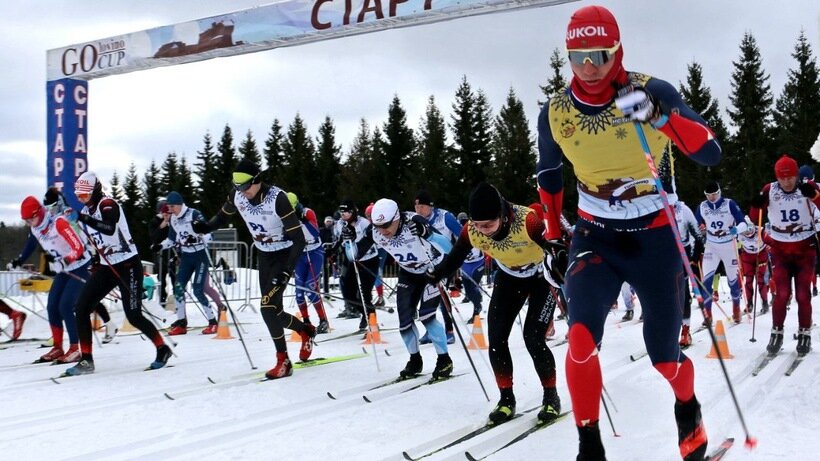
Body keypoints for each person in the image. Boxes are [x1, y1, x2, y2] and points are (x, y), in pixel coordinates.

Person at [536, 5, 722, 460]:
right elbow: (549, 175)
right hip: (595, 237)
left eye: (599, 55)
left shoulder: (650, 89)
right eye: (577, 56)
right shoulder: (556, 111)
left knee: (664, 357)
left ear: (617, 50)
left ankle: (687, 407)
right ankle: (589, 446)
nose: (588, 68)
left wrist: (659, 118)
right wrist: (554, 233)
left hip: (654, 240)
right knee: (580, 336)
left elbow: (710, 152)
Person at [430, 183, 562, 426]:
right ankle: (506, 399)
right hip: (509, 278)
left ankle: (551, 396)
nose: (483, 231)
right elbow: (456, 256)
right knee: (497, 338)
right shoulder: (472, 229)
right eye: (477, 225)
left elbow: (554, 247)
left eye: (488, 225)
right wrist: (437, 273)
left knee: (533, 338)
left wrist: (561, 263)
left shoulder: (528, 221)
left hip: (539, 279)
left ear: (502, 215)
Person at [192, 159, 314, 379]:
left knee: (267, 308)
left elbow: (299, 239)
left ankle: (283, 361)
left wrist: (286, 271)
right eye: (237, 186)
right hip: (264, 255)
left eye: (245, 186)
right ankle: (304, 330)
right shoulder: (238, 195)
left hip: (283, 255)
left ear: (258, 180)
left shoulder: (278, 199)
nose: (241, 191)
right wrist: (206, 226)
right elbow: (222, 216)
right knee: (273, 310)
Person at [70, 172, 172, 375]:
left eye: (85, 195)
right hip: (108, 267)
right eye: (78, 196)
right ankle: (86, 360)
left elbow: (108, 228)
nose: (81, 199)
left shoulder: (108, 204)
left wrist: (82, 217)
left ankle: (162, 349)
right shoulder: (86, 210)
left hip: (128, 265)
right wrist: (95, 260)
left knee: (133, 315)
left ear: (95, 191)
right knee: (81, 308)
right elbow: (96, 241)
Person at [355, 198, 454, 380]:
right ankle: (415, 360)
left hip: (433, 270)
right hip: (408, 273)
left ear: (397, 218)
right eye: (378, 226)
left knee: (427, 316)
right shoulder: (375, 231)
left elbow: (449, 248)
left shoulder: (415, 221)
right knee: (405, 321)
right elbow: (355, 254)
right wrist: (348, 242)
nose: (382, 231)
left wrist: (428, 234)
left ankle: (444, 359)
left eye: (386, 225)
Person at [749, 155, 820, 357]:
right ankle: (776, 331)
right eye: (783, 177)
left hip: (805, 249)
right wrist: (756, 204)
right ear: (777, 177)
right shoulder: (769, 189)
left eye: (791, 177)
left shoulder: (808, 185)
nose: (787, 181)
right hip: (780, 250)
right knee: (781, 294)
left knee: (803, 294)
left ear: (797, 175)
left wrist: (814, 196)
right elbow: (756, 219)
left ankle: (804, 331)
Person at [8, 195, 91, 363]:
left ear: (40, 212)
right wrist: (19, 261)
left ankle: (75, 348)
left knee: (66, 305)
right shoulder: (35, 228)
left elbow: (79, 247)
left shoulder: (58, 223)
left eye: (32, 218)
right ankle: (58, 347)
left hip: (80, 266)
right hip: (64, 269)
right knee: (52, 305)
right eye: (27, 221)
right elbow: (31, 245)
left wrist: (65, 260)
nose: (30, 223)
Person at [42, 187, 118, 344]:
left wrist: (89, 255)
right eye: (47, 209)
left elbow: (82, 237)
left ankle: (107, 325)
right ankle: (108, 324)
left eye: (52, 207)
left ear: (58, 204)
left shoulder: (67, 215)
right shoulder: (56, 218)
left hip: (87, 258)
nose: (49, 212)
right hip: (75, 261)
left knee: (84, 297)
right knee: (83, 297)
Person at [152, 191, 217, 335]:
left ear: (180, 205)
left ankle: (213, 321)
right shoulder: (173, 219)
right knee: (178, 288)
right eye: (168, 207)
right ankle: (182, 323)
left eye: (172, 207)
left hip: (200, 255)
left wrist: (198, 239)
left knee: (198, 290)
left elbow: (209, 234)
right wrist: (160, 246)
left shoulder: (194, 214)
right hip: (186, 257)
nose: (170, 210)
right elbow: (171, 239)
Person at [695, 181, 748, 325]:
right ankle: (708, 313)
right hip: (712, 246)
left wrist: (737, 229)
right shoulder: (702, 206)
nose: (711, 198)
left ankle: (736, 307)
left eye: (714, 194)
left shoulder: (729, 204)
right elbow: (695, 224)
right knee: (706, 281)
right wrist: (699, 231)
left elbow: (744, 223)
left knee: (732, 280)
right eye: (708, 195)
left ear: (719, 192)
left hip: (729, 245)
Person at [414, 190, 459, 344]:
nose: (418, 209)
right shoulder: (415, 220)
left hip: (445, 261)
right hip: (426, 261)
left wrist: (459, 256)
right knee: (425, 296)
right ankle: (431, 330)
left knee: (441, 296)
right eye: (416, 206)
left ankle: (449, 330)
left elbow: (461, 233)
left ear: (430, 206)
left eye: (421, 206)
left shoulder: (444, 217)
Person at [331, 199, 380, 330]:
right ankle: (365, 313)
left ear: (353, 212)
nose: (343, 215)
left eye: (346, 212)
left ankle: (371, 319)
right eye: (341, 212)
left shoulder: (363, 223)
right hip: (352, 261)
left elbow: (371, 240)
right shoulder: (340, 224)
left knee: (364, 292)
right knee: (348, 292)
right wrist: (332, 251)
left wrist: (358, 251)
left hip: (369, 260)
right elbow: (340, 239)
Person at [287, 192, 330, 334]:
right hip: (300, 255)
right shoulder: (284, 216)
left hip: (314, 252)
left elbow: (315, 233)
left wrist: (303, 220)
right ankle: (306, 322)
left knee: (310, 289)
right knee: (299, 293)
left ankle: (323, 320)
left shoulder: (308, 212)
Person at [674, 200, 704, 347]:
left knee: (682, 293)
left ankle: (685, 330)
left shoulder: (683, 210)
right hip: (662, 255)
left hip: (682, 254)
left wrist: (694, 258)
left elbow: (698, 236)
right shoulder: (653, 207)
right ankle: (667, 330)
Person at [456, 211, 485, 320]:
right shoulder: (457, 230)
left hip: (477, 263)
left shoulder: (473, 226)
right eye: (461, 221)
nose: (463, 223)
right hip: (465, 265)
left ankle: (477, 309)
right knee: (468, 290)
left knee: (473, 287)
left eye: (464, 220)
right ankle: (477, 303)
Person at [148, 201, 178, 309]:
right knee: (162, 278)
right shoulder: (154, 222)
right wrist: (161, 226)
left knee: (175, 277)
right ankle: (162, 301)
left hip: (172, 254)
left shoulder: (173, 221)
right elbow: (154, 238)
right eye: (164, 213)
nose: (166, 215)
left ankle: (177, 300)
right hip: (160, 255)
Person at [737, 223, 770, 314]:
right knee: (748, 279)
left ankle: (764, 302)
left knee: (760, 279)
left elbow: (770, 240)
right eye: (745, 233)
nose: (748, 234)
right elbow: (734, 242)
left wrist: (769, 245)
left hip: (761, 254)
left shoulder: (761, 230)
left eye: (750, 231)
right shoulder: (738, 233)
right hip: (747, 255)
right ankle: (749, 303)